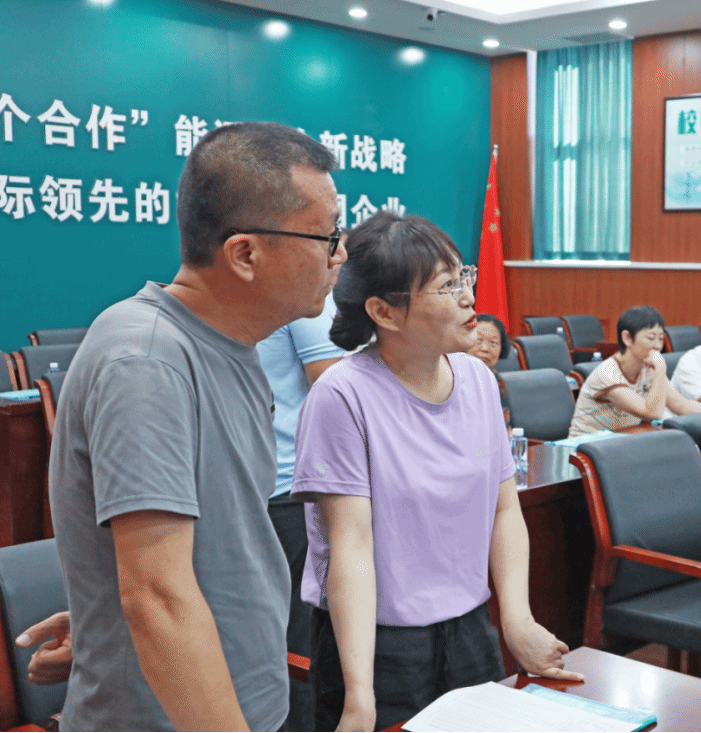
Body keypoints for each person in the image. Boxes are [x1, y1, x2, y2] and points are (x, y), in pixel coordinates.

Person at [48, 122, 346, 731]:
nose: (339, 256)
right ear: (245, 254)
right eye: (327, 236)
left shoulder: (234, 348)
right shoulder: (147, 360)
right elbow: (156, 597)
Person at [290, 212, 579, 732]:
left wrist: (516, 618)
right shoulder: (342, 396)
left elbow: (504, 510)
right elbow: (350, 547)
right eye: (447, 286)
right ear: (384, 311)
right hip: (377, 648)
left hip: (469, 632)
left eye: (464, 276)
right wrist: (360, 695)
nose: (469, 298)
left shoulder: (477, 380)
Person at [257, 294, 344, 729]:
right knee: (302, 633)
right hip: (295, 489)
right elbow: (336, 395)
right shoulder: (307, 301)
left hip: (271, 486)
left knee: (286, 627)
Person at [569, 305, 701, 436]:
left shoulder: (649, 367)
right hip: (584, 445)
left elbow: (680, 405)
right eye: (651, 338)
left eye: (660, 339)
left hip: (620, 440)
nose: (657, 346)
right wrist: (661, 369)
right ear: (627, 338)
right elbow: (652, 413)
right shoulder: (608, 374)